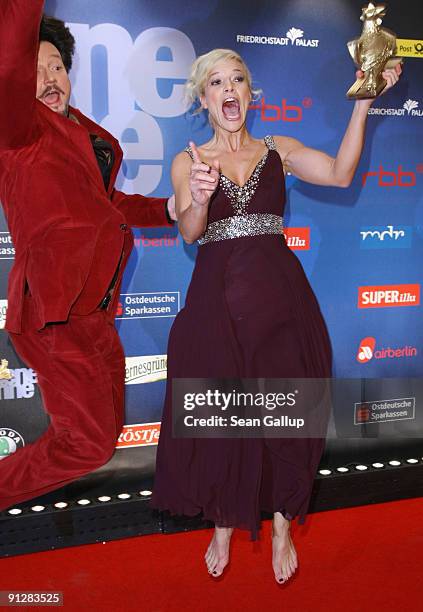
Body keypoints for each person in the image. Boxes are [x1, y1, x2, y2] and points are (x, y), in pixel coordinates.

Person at [151, 48, 401, 583]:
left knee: (287, 407)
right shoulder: (188, 161)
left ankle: (284, 521)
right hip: (214, 304)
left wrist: (363, 106)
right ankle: (224, 517)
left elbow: (338, 174)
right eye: (217, 82)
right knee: (220, 413)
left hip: (279, 298)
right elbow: (191, 230)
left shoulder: (277, 149)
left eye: (238, 79)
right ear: (204, 99)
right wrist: (196, 196)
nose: (229, 89)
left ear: (249, 92)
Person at [0, 1, 175, 511]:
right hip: (53, 311)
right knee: (88, 443)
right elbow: (10, 56)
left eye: (56, 66)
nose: (50, 78)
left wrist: (169, 207)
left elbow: (110, 206)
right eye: (36, 70)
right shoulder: (19, 128)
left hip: (95, 311)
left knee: (101, 434)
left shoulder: (90, 136)